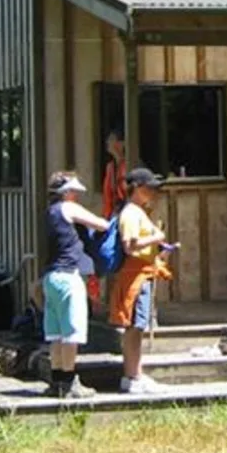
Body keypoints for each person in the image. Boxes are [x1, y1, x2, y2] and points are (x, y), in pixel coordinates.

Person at [41, 172, 109, 398]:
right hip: (69, 276)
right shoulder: (68, 208)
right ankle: (70, 384)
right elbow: (101, 225)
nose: (76, 196)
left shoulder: (50, 212)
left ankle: (57, 381)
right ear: (66, 192)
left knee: (56, 334)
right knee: (72, 333)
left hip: (51, 277)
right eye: (74, 192)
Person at [111, 166, 177, 393]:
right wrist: (156, 237)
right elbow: (129, 246)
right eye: (150, 188)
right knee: (134, 327)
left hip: (145, 272)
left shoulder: (139, 211)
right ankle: (133, 376)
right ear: (137, 188)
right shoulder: (130, 213)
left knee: (138, 326)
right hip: (135, 276)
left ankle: (135, 374)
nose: (154, 193)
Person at [99, 128, 127, 218]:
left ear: (121, 143)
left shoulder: (131, 163)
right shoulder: (110, 167)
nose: (107, 142)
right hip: (115, 213)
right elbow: (107, 195)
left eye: (111, 139)